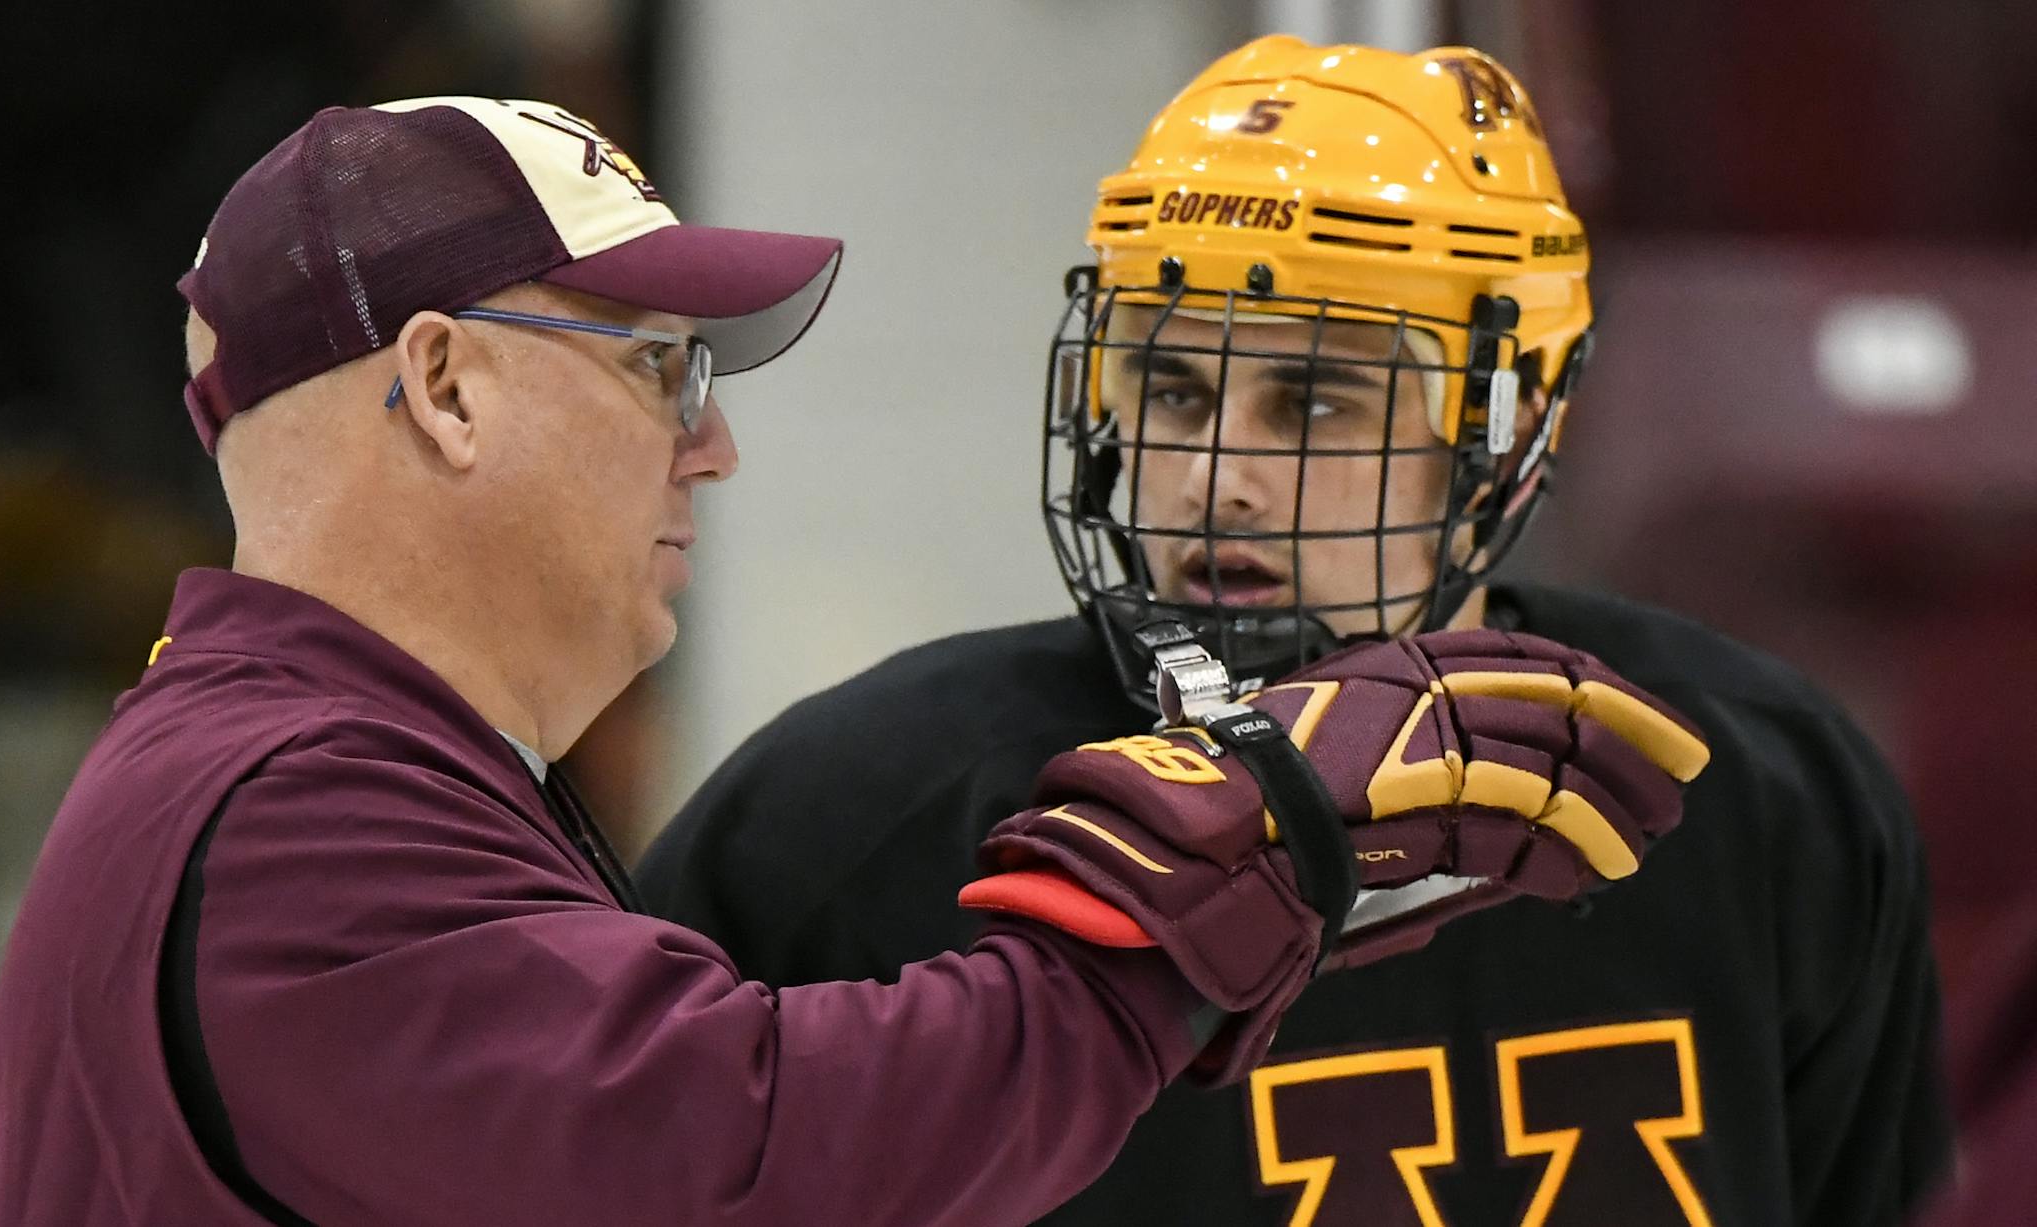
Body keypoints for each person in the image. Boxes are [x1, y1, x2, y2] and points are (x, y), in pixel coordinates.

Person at [0, 95, 1698, 1226]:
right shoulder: (300, 823)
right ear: (449, 384)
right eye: (661, 371)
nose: (712, 450)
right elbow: (767, 1158)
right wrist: (1248, 845)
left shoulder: (289, 772)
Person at [638, 39, 1953, 1226]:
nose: (1218, 477)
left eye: (1311, 403)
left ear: (1505, 437)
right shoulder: (847, 820)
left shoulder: (1763, 789)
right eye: (1172, 386)